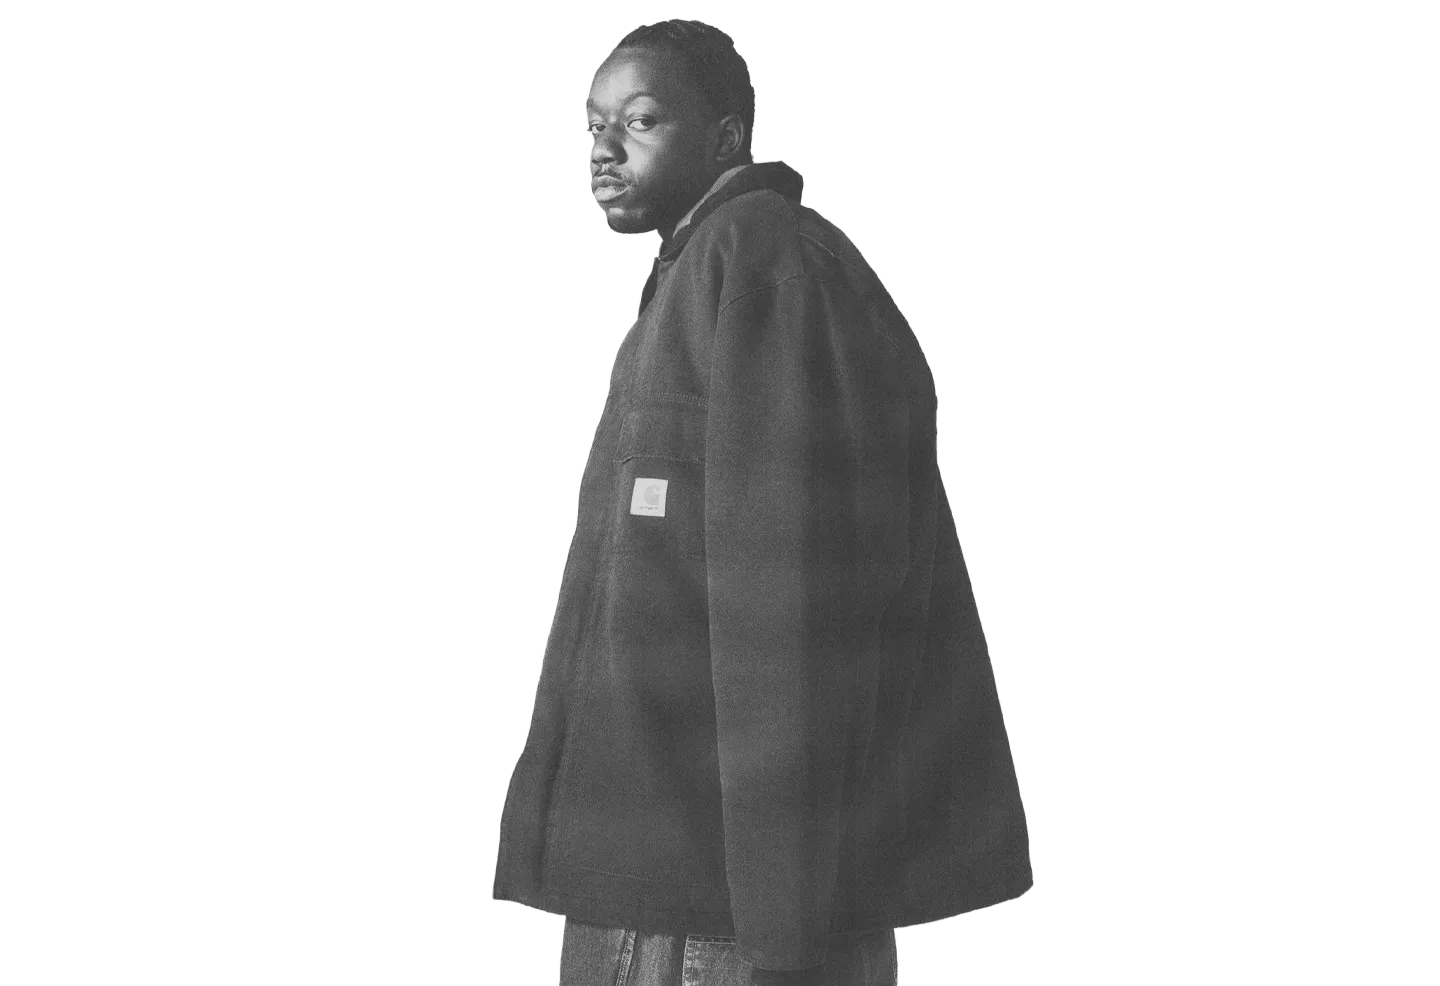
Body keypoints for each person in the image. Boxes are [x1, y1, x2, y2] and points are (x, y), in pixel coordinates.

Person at [490, 17, 1034, 985]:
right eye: (595, 124)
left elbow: (790, 608)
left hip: (715, 919)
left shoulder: (767, 272)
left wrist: (784, 934)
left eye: (640, 120)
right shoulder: (706, 267)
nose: (604, 148)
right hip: (667, 890)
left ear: (724, 137)